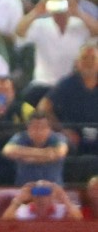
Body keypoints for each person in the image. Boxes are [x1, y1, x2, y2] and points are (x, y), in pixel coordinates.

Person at [15, 0, 98, 101]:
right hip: (44, 83)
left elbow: (96, 32)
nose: (60, 13)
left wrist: (78, 13)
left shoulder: (79, 25)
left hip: (73, 83)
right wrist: (36, 11)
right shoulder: (41, 25)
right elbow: (19, 32)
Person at [39, 42, 98, 180]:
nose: (88, 62)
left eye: (93, 58)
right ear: (77, 63)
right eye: (84, 58)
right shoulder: (67, 83)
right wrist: (62, 130)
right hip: (73, 138)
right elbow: (43, 108)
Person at [2, 111, 69, 185]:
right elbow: (7, 150)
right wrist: (46, 154)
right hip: (24, 188)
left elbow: (60, 152)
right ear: (28, 128)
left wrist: (25, 156)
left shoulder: (58, 137)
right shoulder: (20, 137)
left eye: (43, 127)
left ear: (49, 128)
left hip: (53, 189)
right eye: (35, 127)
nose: (39, 131)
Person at [0, 180, 83, 218]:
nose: (41, 197)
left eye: (45, 192)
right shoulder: (24, 210)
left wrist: (64, 198)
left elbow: (78, 219)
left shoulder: (62, 210)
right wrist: (19, 199)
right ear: (32, 196)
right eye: (37, 192)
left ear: (52, 196)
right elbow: (6, 221)